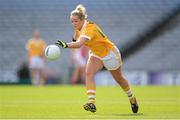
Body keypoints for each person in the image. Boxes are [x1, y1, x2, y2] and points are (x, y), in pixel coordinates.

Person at [56, 4, 139, 113]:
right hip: (96, 53)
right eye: (72, 21)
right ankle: (92, 103)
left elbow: (79, 43)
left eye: (76, 21)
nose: (74, 24)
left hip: (109, 53)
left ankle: (131, 97)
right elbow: (76, 38)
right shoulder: (79, 28)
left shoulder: (89, 27)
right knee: (88, 73)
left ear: (82, 20)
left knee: (119, 79)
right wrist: (73, 40)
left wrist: (66, 45)